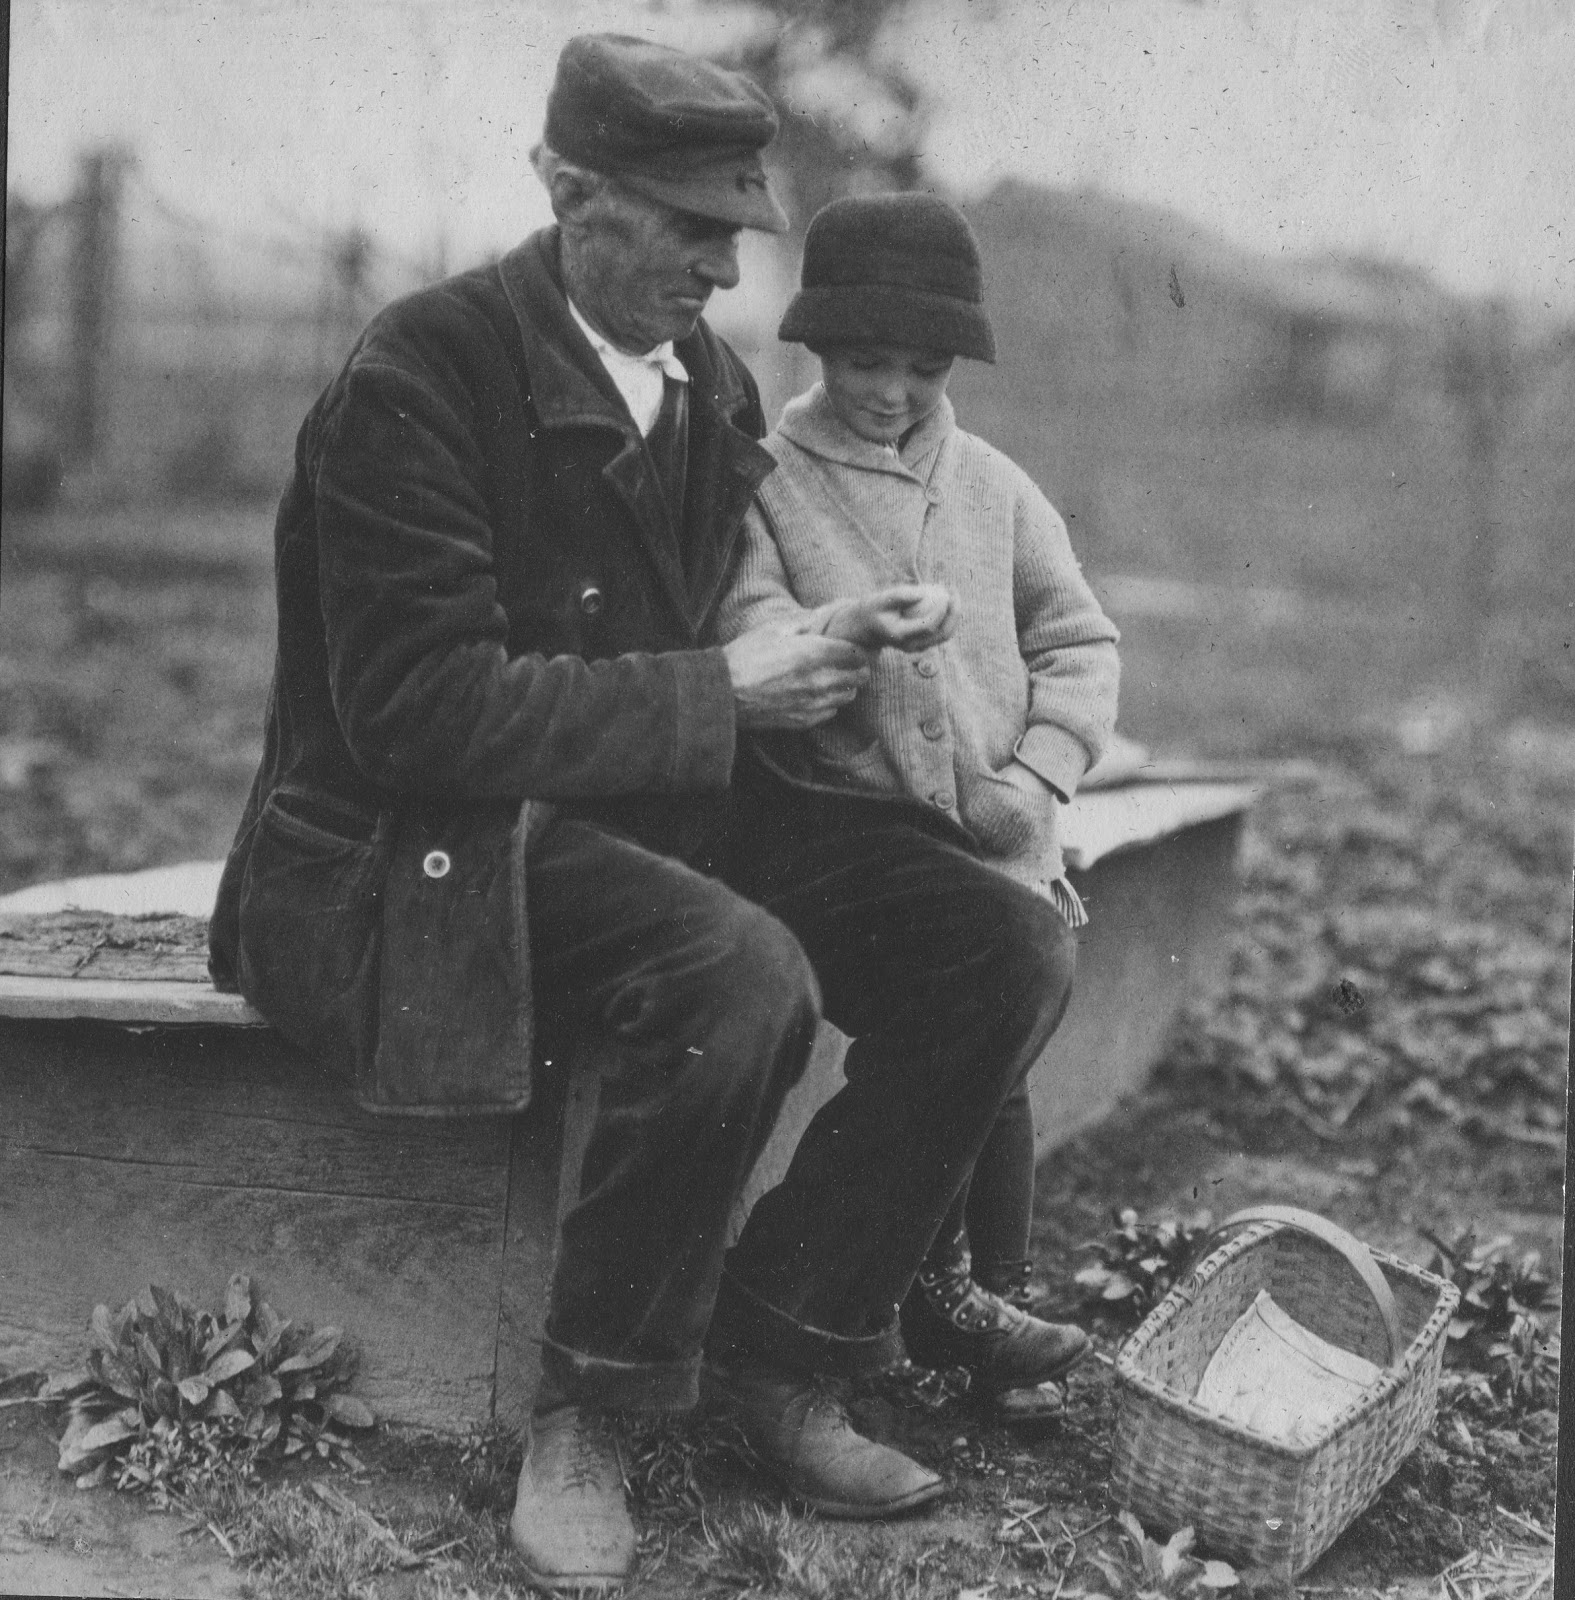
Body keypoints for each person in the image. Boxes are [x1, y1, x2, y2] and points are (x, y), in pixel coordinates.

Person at [208, 35, 1080, 1593]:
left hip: (637, 802)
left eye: (730, 229)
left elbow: (720, 637)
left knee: (992, 942)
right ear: (562, 189)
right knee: (736, 973)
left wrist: (819, 660)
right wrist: (720, 694)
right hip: (413, 850)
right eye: (678, 223)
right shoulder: (422, 372)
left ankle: (781, 1349)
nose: (713, 262)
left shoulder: (704, 388)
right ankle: (589, 1411)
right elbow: (416, 711)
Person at [717, 192, 1121, 1418]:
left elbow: (1081, 639)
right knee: (976, 994)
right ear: (813, 347)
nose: (890, 391)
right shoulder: (771, 482)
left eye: (922, 366)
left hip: (998, 812)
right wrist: (841, 630)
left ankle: (981, 1301)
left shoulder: (995, 486)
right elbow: (750, 630)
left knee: (1004, 1042)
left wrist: (1040, 775)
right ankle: (940, 1298)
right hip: (845, 817)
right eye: (863, 361)